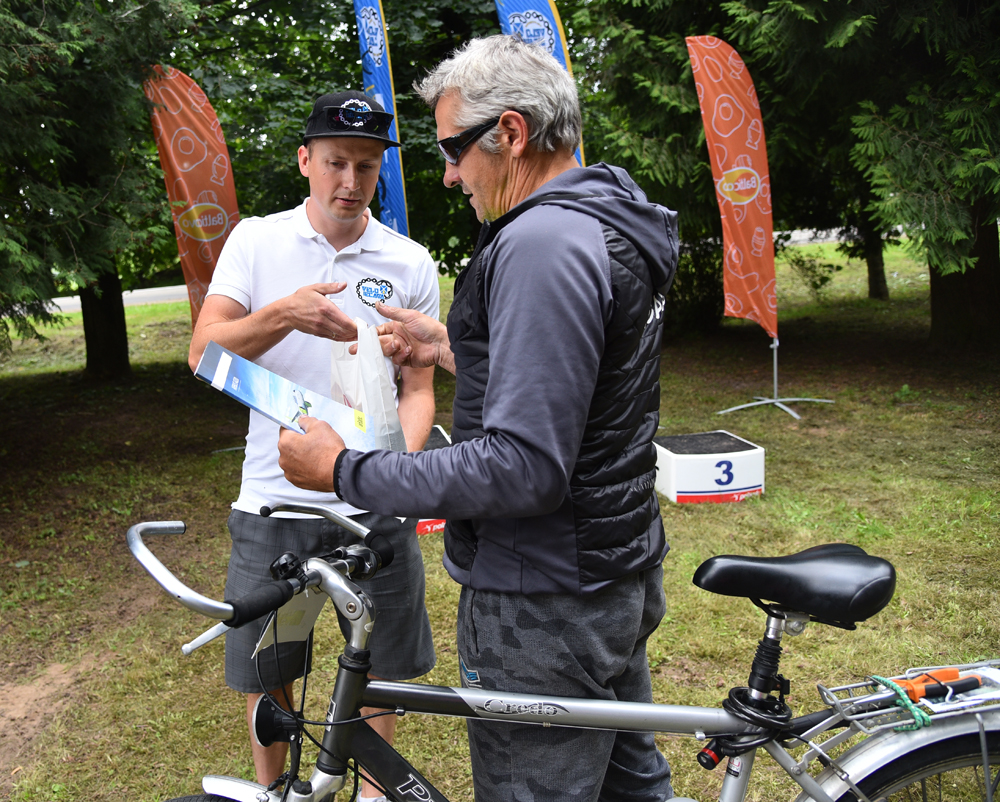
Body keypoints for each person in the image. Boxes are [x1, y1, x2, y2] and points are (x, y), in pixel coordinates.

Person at [277, 36, 679, 802]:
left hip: (544, 599)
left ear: (513, 133)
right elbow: (593, 386)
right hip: (614, 568)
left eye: (455, 147)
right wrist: (454, 348)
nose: (450, 172)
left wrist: (341, 470)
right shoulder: (610, 221)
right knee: (632, 791)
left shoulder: (541, 242)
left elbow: (523, 467)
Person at [188, 90, 438, 802]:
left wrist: (399, 470)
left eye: (366, 166)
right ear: (305, 160)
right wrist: (282, 314)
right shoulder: (256, 241)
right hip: (273, 502)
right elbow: (203, 354)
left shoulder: (409, 262)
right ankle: (276, 796)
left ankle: (371, 794)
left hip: (373, 502)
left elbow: (418, 388)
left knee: (378, 668)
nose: (350, 183)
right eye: (335, 163)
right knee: (272, 671)